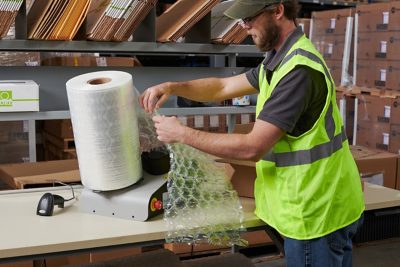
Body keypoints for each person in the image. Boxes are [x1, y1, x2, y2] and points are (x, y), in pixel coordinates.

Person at [140, 0, 365, 266]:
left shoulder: (298, 72)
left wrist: (182, 134)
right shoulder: (279, 60)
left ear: (278, 11)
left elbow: (252, 147)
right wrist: (173, 86)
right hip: (311, 205)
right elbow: (221, 88)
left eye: (249, 19)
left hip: (315, 213)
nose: (245, 28)